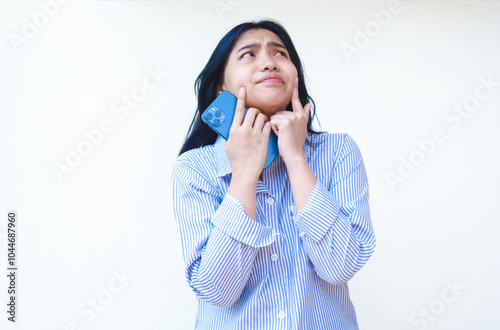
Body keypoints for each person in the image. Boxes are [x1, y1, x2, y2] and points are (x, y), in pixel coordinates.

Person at [171, 19, 376, 329]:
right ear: (221, 87)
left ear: (295, 77)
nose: (268, 62)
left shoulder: (338, 152)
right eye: (249, 54)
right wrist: (244, 176)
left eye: (280, 54)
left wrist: (295, 158)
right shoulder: (194, 170)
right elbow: (217, 290)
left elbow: (339, 266)